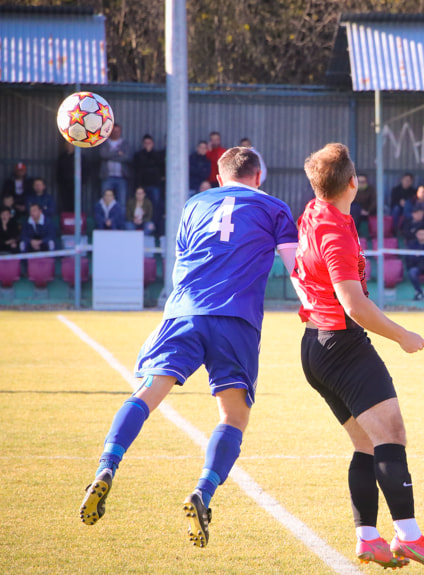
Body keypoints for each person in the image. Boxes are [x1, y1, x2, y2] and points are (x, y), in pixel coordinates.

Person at [79, 147, 298, 550]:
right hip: (236, 319)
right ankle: (203, 491)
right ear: (258, 177)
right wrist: (313, 308)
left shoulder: (195, 204)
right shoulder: (275, 208)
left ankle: (107, 465)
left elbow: (182, 258)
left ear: (218, 177)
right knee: (233, 416)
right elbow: (294, 267)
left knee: (147, 391)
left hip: (184, 312)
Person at [291, 143, 424, 570]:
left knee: (366, 443)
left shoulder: (314, 211)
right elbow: (354, 304)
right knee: (391, 435)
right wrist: (402, 336)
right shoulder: (334, 231)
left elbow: (296, 268)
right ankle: (409, 537)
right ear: (353, 182)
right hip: (341, 344)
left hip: (314, 346)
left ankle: (368, 538)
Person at [99, 124, 133, 208]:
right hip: (107, 177)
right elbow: (103, 155)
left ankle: (120, 221)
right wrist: (118, 153)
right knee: (105, 202)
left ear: (120, 132)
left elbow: (127, 157)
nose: (115, 133)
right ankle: (106, 220)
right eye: (113, 131)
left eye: (117, 131)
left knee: (122, 202)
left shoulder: (124, 143)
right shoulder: (105, 143)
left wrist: (110, 156)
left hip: (121, 177)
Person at [133, 134, 165, 220]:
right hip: (143, 184)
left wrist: (150, 153)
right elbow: (139, 166)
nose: (147, 145)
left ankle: (154, 224)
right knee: (142, 205)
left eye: (149, 143)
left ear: (153, 144)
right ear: (143, 144)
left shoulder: (157, 155)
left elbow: (160, 165)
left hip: (155, 184)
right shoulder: (139, 155)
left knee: (155, 205)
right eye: (146, 143)